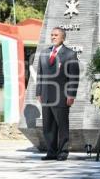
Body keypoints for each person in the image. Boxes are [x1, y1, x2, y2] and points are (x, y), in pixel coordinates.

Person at [36, 27, 80, 161]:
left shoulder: (70, 54)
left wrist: (71, 95)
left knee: (62, 126)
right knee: (48, 126)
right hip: (46, 95)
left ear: (63, 38)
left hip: (62, 96)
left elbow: (73, 76)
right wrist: (39, 92)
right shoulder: (44, 53)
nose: (53, 37)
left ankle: (62, 152)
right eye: (52, 35)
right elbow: (40, 74)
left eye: (56, 35)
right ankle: (51, 152)